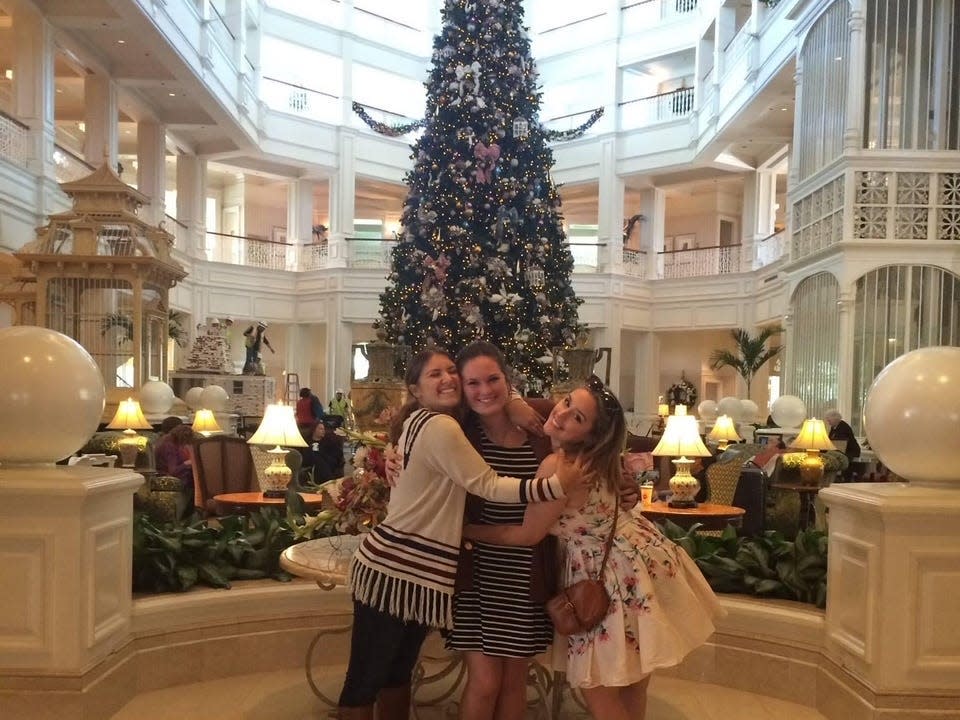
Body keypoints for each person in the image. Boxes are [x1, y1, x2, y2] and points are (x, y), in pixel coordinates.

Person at [337, 349, 591, 720]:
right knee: (375, 675)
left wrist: (624, 479)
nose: (454, 381)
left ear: (508, 380)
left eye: (451, 371)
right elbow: (485, 483)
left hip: (480, 573)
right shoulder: (454, 425)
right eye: (438, 375)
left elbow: (587, 429)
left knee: (399, 672)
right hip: (419, 570)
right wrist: (554, 486)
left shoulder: (532, 420)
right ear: (416, 390)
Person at [464, 376, 723, 720]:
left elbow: (528, 534)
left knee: (600, 691)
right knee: (633, 684)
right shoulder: (602, 459)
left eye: (578, 418)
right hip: (644, 561)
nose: (562, 414)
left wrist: (465, 529)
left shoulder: (558, 467)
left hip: (607, 577)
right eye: (568, 402)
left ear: (590, 435)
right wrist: (514, 403)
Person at [154, 424, 196, 489]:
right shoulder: (170, 447)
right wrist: (186, 464)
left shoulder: (166, 440)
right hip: (168, 476)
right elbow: (173, 471)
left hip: (163, 474)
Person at [824, 409, 860, 480]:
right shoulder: (834, 427)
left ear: (835, 418)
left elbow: (840, 442)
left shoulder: (843, 427)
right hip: (842, 451)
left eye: (829, 420)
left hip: (850, 452)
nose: (828, 422)